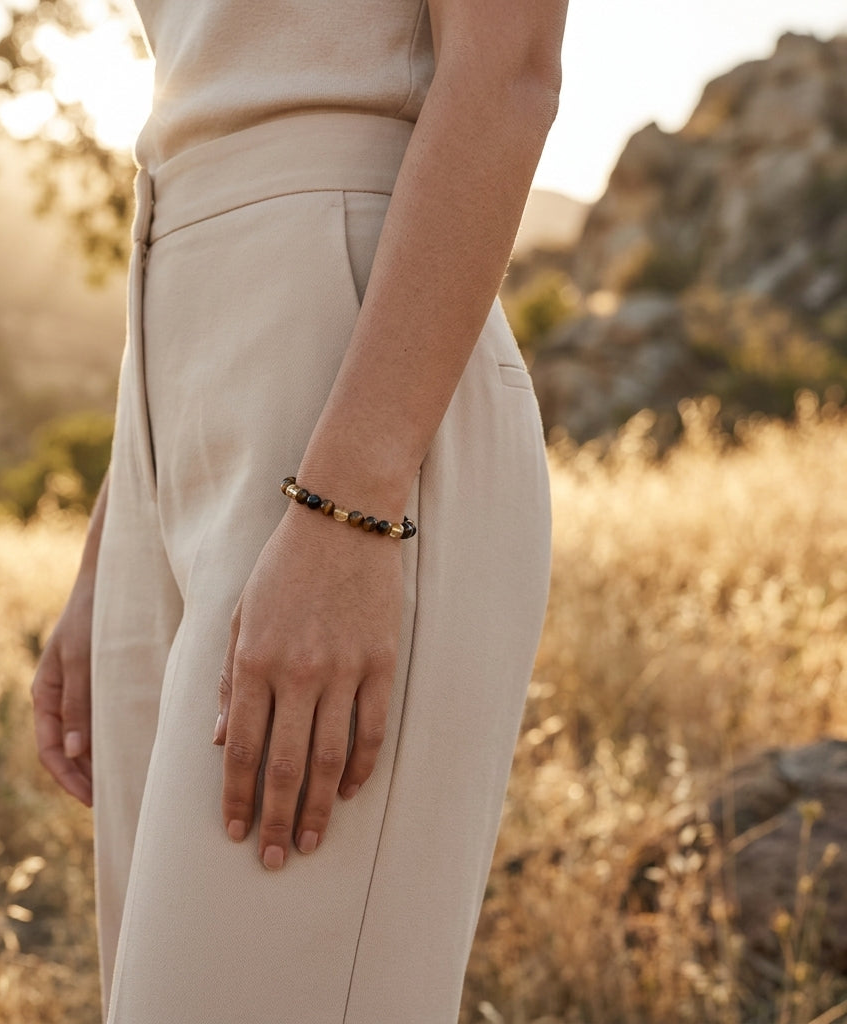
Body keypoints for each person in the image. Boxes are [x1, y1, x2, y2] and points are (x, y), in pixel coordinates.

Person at [31, 1, 566, 1020]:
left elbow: (509, 75)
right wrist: (116, 542)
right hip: (171, 376)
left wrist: (350, 508)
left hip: (354, 379)